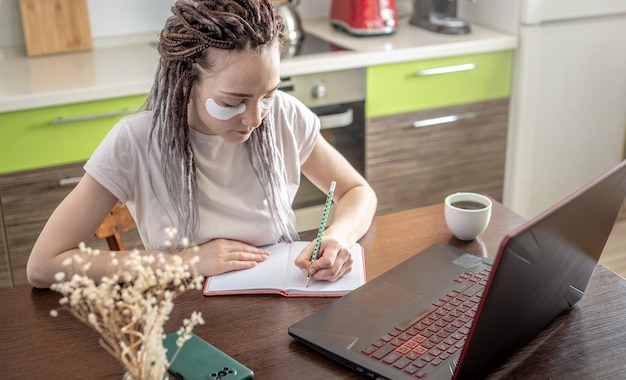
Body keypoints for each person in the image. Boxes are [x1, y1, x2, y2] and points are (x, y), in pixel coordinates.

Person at [26, 0, 377, 288]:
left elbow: (356, 191)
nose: (256, 119)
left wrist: (337, 237)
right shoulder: (134, 142)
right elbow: (44, 264)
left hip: (279, 313)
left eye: (267, 95)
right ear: (186, 84)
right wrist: (183, 262)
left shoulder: (283, 116)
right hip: (185, 318)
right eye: (232, 102)